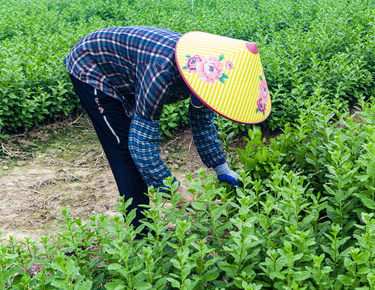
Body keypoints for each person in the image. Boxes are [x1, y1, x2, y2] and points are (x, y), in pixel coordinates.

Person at [64, 26, 271, 233]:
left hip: (128, 68)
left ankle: (144, 230)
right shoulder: (162, 73)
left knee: (133, 140)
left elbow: (201, 120)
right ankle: (142, 236)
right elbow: (141, 146)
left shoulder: (212, 74)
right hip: (92, 65)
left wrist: (221, 167)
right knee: (125, 149)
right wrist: (174, 189)